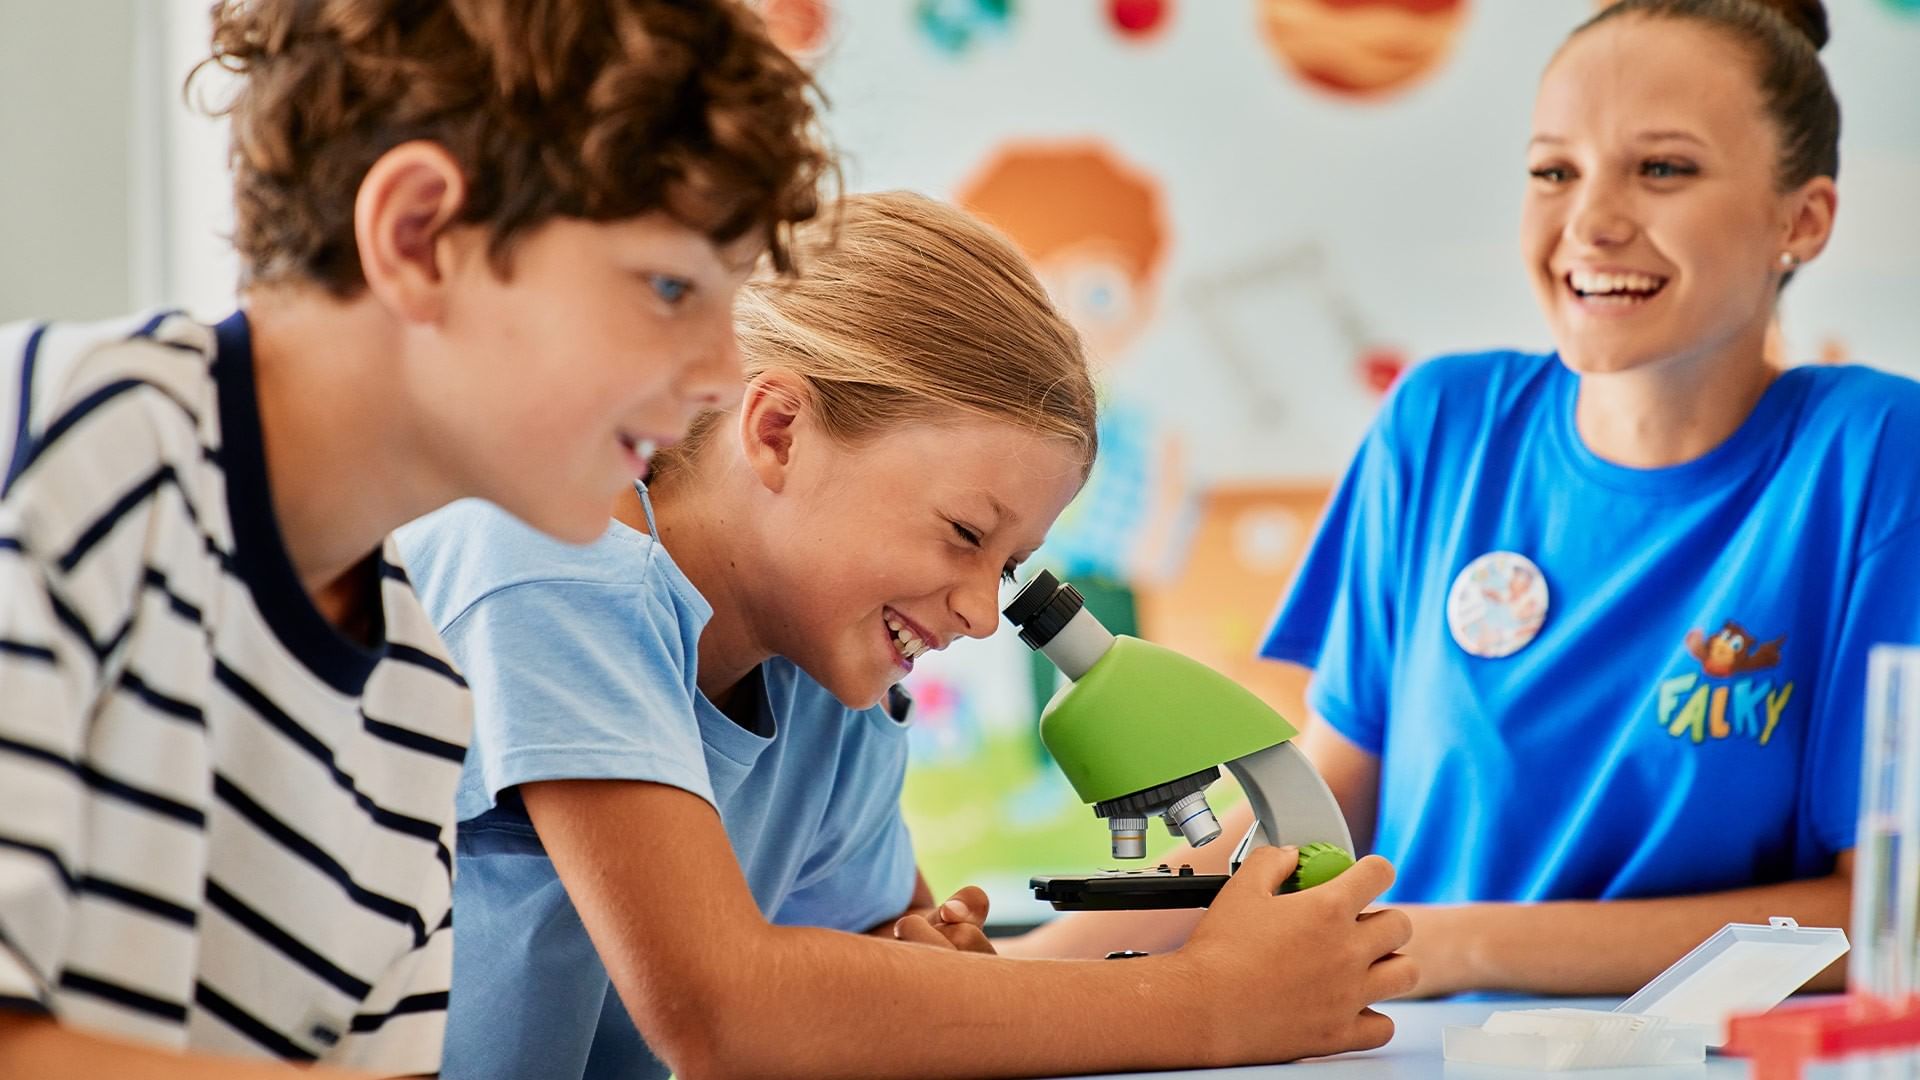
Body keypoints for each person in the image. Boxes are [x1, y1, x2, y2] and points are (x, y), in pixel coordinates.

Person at [397, 191, 1415, 1080]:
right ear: (779, 431)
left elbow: (863, 976)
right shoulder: (547, 560)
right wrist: (1209, 1004)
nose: (979, 613)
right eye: (966, 535)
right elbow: (726, 1015)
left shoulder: (828, 677)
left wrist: (921, 963)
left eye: (1006, 565)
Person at [1019, 0, 1920, 1000]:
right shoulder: (1441, 423)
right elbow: (1317, 815)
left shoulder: (1873, 454)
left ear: (1803, 219)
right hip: (1395, 1049)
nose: (1594, 221)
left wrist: (1455, 947)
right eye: (1554, 171)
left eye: (1663, 168)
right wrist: (1016, 980)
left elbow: (1880, 913)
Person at [0, 1, 827, 1075]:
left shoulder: (419, 693)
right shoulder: (71, 438)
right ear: (418, 236)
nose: (722, 367)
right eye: (671, 285)